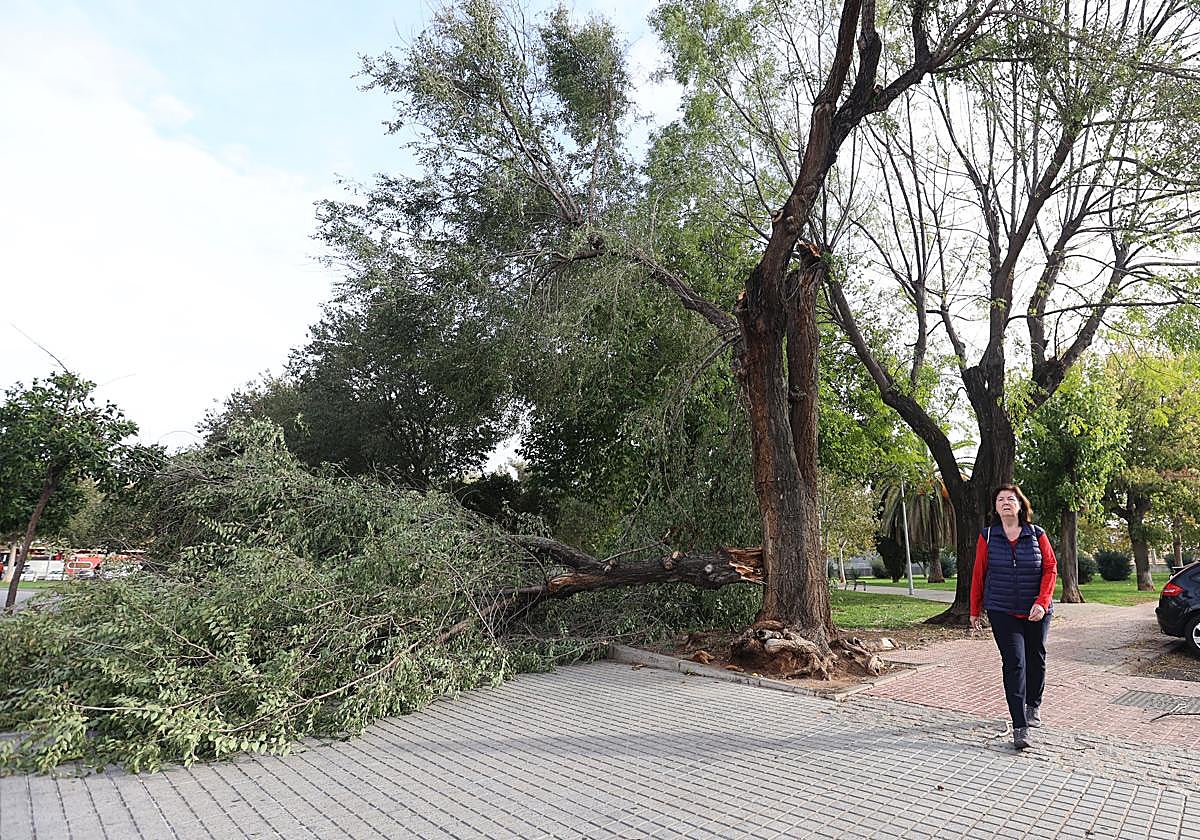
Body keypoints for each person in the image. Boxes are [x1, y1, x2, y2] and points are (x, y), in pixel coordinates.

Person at [969, 484, 1057, 750]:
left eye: (1011, 498)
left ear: (1020, 505)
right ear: (995, 508)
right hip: (1002, 609)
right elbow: (978, 573)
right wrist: (974, 610)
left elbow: (1050, 568)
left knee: (1035, 658)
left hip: (1036, 610)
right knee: (1014, 663)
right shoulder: (987, 536)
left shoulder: (1037, 534)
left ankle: (1033, 705)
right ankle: (1020, 727)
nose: (1006, 502)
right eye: (1000, 499)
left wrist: (1042, 602)